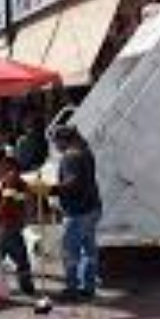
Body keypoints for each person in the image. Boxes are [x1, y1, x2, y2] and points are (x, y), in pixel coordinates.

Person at [48, 126, 103, 301]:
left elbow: (73, 183)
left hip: (78, 211)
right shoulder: (85, 152)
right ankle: (88, 288)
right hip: (92, 207)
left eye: (56, 142)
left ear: (64, 140)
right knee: (89, 251)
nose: (55, 146)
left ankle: (73, 288)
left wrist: (50, 189)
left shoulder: (71, 156)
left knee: (70, 252)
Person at [0, 152, 35, 295]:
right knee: (15, 255)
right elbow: (22, 201)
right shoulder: (17, 180)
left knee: (8, 255)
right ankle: (25, 285)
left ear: (6, 164)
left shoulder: (11, 180)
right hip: (13, 222)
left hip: (8, 223)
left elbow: (7, 202)